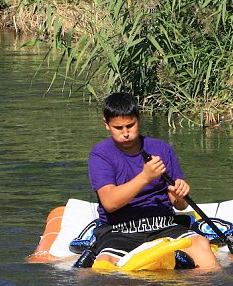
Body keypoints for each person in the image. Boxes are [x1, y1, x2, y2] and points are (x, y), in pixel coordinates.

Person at [86, 92, 218, 269]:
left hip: (163, 225)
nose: (126, 133)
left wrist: (179, 194)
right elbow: (109, 203)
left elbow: (179, 205)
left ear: (138, 119)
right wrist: (145, 177)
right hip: (120, 230)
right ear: (107, 125)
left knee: (201, 244)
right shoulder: (100, 154)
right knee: (104, 264)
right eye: (119, 128)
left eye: (130, 125)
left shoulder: (161, 148)